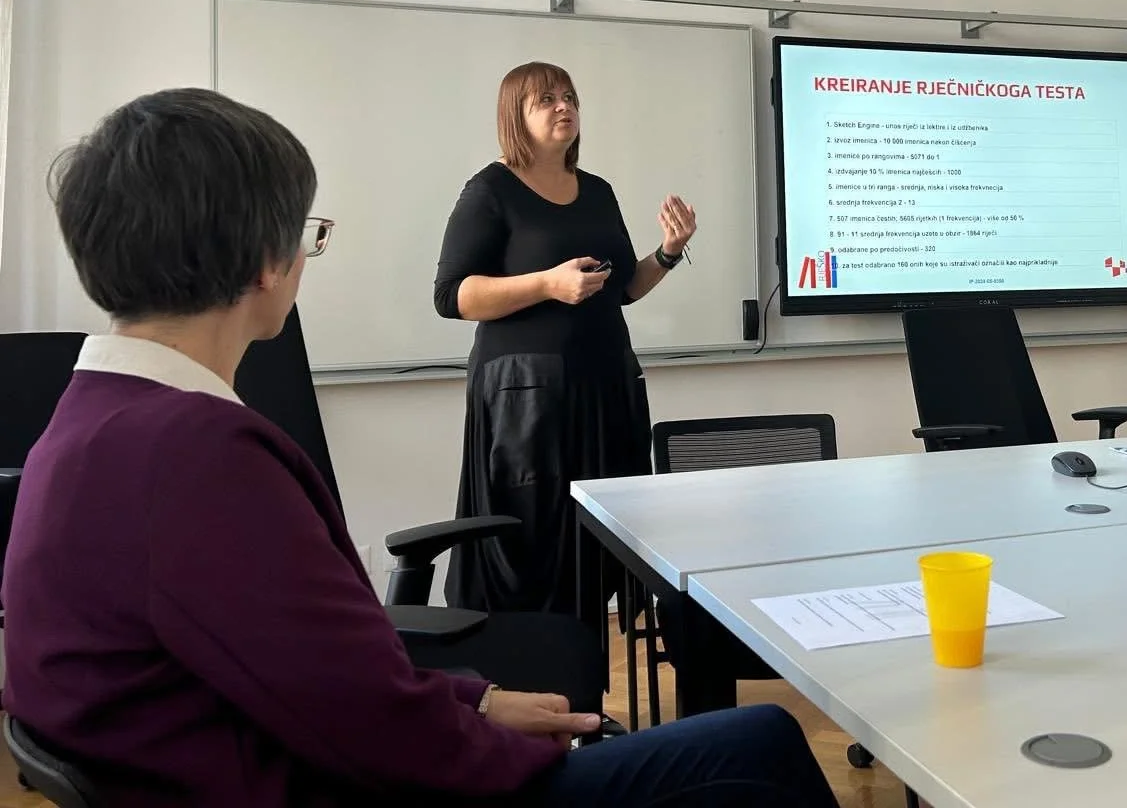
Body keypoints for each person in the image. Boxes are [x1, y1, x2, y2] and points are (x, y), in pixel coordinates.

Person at [1, 87, 838, 807]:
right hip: (359, 784)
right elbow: (370, 729)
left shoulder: (85, 430)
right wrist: (508, 742)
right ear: (265, 260)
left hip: (283, 759)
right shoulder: (198, 458)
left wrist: (470, 702)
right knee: (760, 743)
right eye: (307, 233)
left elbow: (321, 678)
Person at [434, 61, 694, 615]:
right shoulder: (491, 189)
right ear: (515, 114)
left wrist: (669, 252)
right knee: (531, 540)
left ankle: (585, 662)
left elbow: (624, 288)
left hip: (604, 387)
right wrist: (547, 284)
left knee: (604, 541)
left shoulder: (597, 191)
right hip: (526, 399)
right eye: (547, 99)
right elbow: (452, 295)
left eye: (570, 97)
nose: (564, 107)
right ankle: (529, 662)